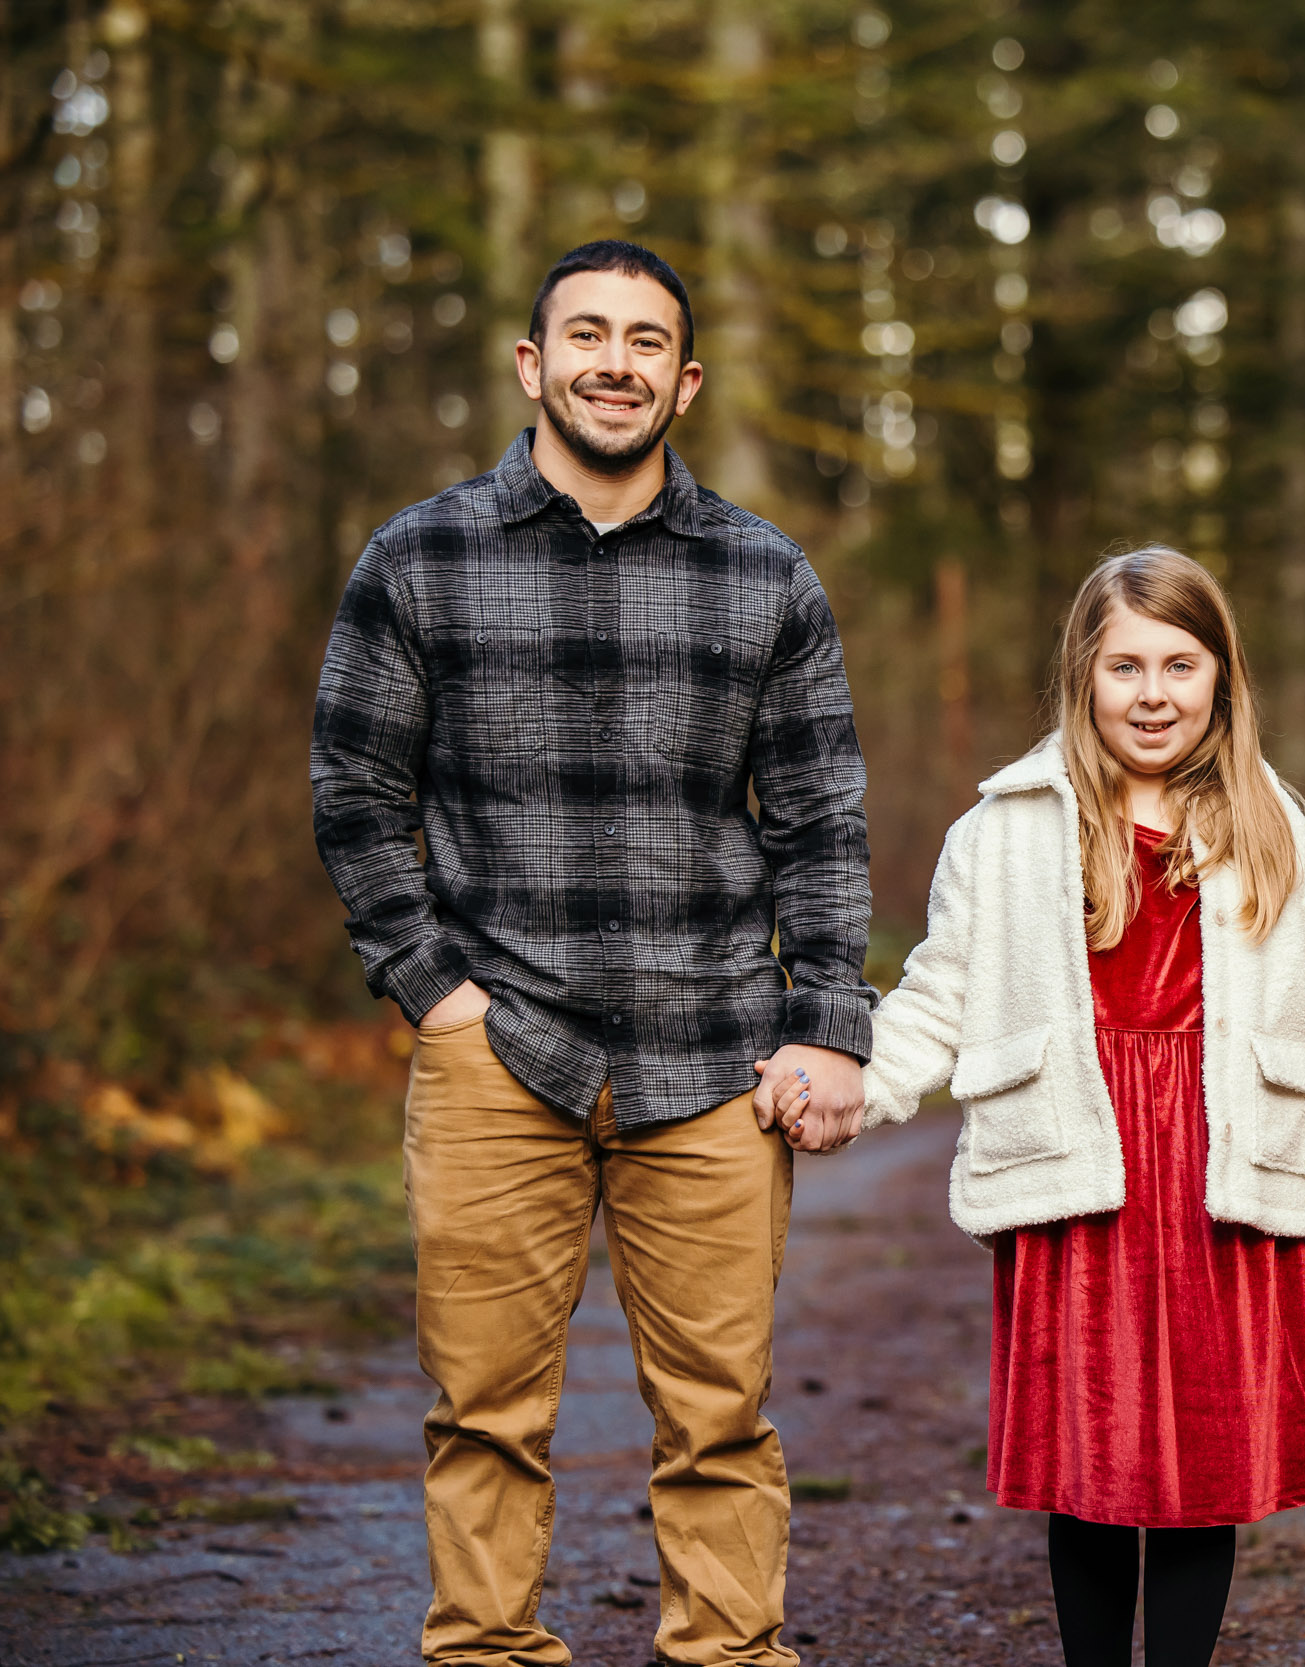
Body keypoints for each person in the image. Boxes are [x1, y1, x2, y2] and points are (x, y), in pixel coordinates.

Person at [310, 239, 873, 1667]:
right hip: (498, 1049)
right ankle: (488, 1649)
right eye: (586, 334)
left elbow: (820, 818)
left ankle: (729, 1653)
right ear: (530, 361)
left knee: (719, 1415)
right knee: (484, 1411)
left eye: (644, 343)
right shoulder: (420, 556)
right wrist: (431, 991)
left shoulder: (764, 573)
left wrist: (827, 1021)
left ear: (685, 381)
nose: (613, 363)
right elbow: (355, 795)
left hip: (714, 1054)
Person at [782, 547, 1305, 1667]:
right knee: (1091, 1461)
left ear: (1221, 677)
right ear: (1082, 678)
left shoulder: (1274, 827)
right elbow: (942, 992)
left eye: (1179, 664)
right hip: (1077, 1172)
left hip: (1217, 1173)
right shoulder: (1006, 829)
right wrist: (859, 1082)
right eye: (1125, 665)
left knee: (1200, 1461)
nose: (1152, 693)